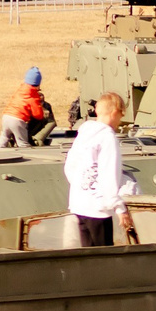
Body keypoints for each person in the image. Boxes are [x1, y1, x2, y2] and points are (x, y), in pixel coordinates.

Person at [62, 92, 135, 247]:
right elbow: (109, 174)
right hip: (98, 209)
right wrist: (119, 208)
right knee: (104, 259)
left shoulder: (84, 133)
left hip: (79, 204)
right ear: (115, 112)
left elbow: (70, 166)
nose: (119, 122)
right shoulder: (107, 137)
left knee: (89, 257)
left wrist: (81, 188)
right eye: (121, 116)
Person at [0, 66, 54, 148]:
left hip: (6, 117)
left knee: (3, 138)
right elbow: (38, 115)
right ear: (37, 84)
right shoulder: (33, 96)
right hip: (18, 121)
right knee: (23, 143)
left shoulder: (20, 91)